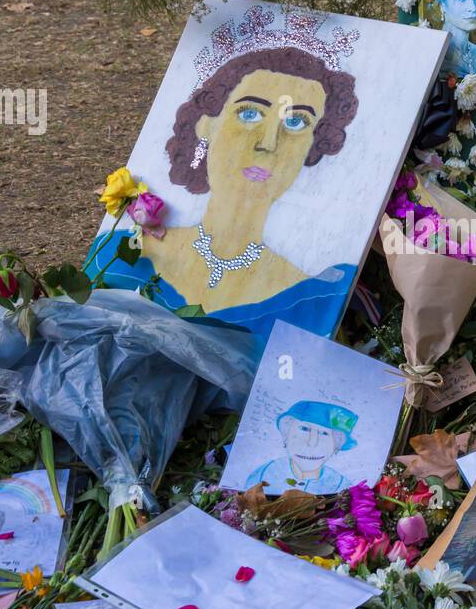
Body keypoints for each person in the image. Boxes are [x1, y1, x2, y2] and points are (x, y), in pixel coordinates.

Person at [88, 25, 360, 339]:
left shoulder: (312, 295)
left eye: (296, 122)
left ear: (313, 144)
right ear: (207, 124)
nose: (268, 143)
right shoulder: (120, 255)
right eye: (250, 114)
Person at [245, 401, 357, 494]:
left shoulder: (341, 486)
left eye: (324, 433)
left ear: (336, 446)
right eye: (304, 429)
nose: (312, 443)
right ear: (286, 435)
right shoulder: (263, 474)